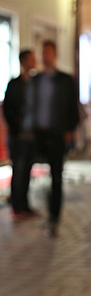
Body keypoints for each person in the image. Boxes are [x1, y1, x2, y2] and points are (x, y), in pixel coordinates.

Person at [22, 40, 80, 237]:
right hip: (39, 133)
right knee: (37, 174)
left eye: (49, 52)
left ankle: (54, 215)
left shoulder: (64, 80)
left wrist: (69, 129)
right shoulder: (36, 80)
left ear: (55, 54)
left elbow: (73, 107)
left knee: (56, 174)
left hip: (56, 134)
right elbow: (29, 106)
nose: (46, 55)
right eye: (43, 52)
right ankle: (37, 208)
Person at [3, 50, 38, 219]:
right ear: (24, 61)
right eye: (31, 59)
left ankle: (24, 204)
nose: (34, 61)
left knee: (27, 170)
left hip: (31, 135)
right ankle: (17, 204)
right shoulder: (14, 84)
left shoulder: (35, 83)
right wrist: (16, 127)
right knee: (19, 169)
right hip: (18, 135)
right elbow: (8, 109)